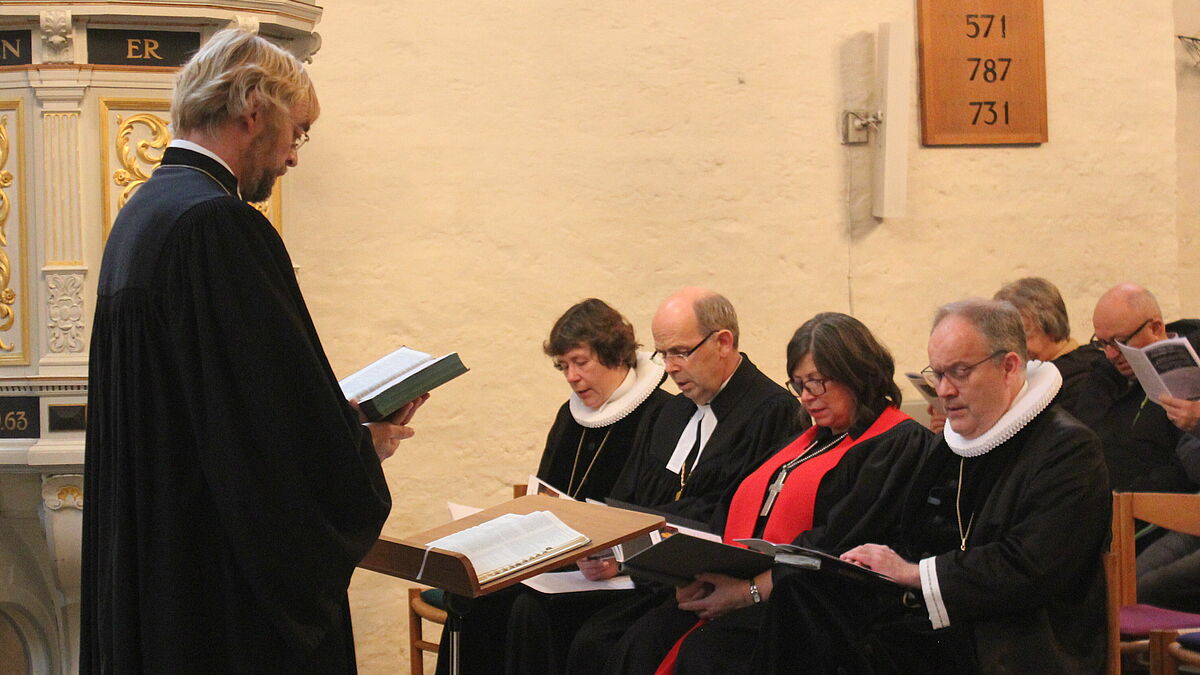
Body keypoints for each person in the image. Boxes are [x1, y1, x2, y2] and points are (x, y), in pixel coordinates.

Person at [80, 29, 425, 672]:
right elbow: (269, 446)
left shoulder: (144, 215)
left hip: (160, 581)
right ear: (253, 111)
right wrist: (358, 447)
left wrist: (333, 424)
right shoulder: (217, 225)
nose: (295, 156)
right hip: (218, 600)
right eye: (298, 131)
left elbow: (233, 404)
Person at [751, 299, 1110, 674]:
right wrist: (869, 564)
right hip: (944, 616)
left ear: (1009, 367)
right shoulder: (950, 443)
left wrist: (912, 573)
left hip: (1013, 637)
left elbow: (1030, 567)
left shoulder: (1068, 448)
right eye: (938, 374)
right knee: (804, 590)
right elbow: (915, 532)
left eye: (959, 372)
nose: (944, 390)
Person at [605, 313, 931, 674]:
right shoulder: (804, 441)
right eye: (798, 384)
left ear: (858, 373)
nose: (807, 398)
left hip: (808, 604)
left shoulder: (895, 443)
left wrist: (749, 591)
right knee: (639, 642)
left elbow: (840, 544)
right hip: (743, 588)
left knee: (706, 654)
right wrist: (694, 578)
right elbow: (729, 509)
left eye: (817, 383)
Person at [517, 287, 804, 675]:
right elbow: (626, 499)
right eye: (662, 354)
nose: (669, 367)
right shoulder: (673, 412)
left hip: (708, 585)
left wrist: (629, 551)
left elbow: (729, 514)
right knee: (535, 613)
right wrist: (608, 554)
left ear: (723, 342)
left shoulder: (771, 412)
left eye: (680, 352)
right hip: (643, 577)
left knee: (603, 643)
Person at [435, 298, 670, 674]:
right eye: (564, 366)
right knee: (472, 598)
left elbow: (661, 513)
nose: (571, 377)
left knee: (530, 610)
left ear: (615, 354)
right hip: (560, 566)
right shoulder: (570, 414)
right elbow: (544, 496)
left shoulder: (661, 415)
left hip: (618, 578)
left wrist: (617, 560)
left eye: (580, 362)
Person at [1073, 283, 1199, 492]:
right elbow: (1082, 438)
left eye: (1120, 342)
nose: (1111, 354)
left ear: (1155, 328)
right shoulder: (1103, 376)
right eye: (1103, 343)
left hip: (1157, 509)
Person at [992, 276, 1103, 415]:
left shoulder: (1083, 380)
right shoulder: (1033, 376)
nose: (1012, 350)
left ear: (1050, 325)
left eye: (1022, 337)